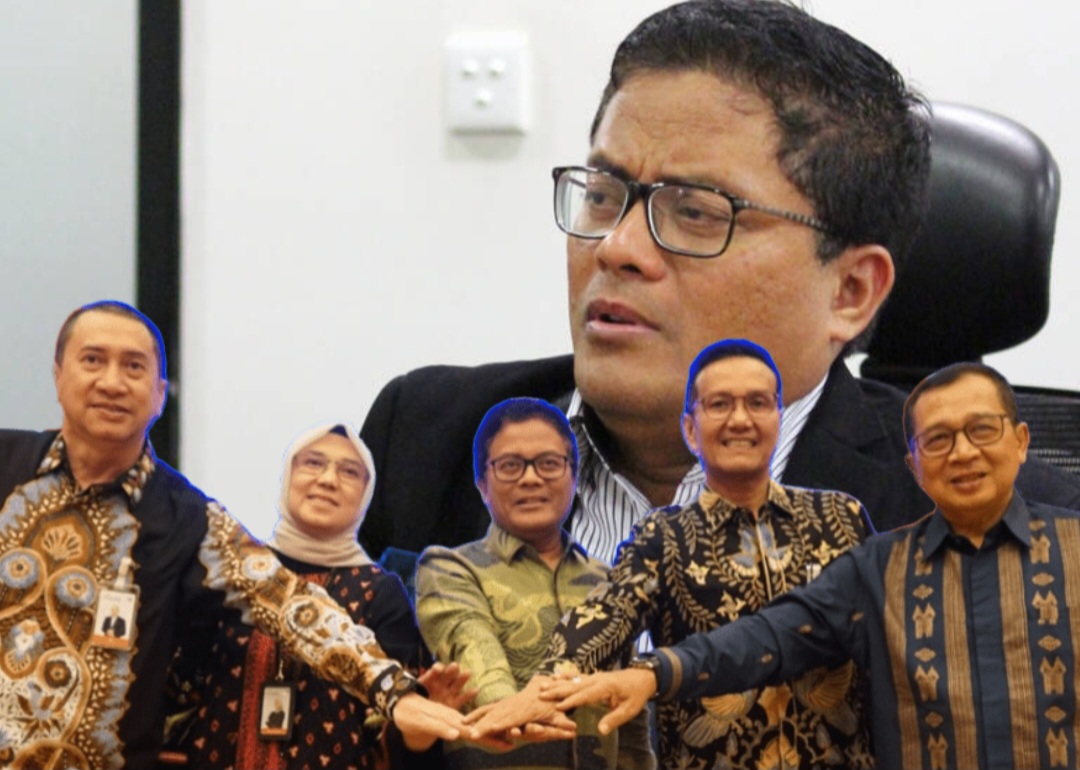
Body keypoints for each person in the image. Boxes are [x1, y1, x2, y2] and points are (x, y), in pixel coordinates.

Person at [357, 0, 1080, 575]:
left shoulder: (1018, 531)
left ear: (850, 291)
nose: (617, 247)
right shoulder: (424, 441)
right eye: (604, 194)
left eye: (698, 212)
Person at [0, 301, 473, 770]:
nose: (112, 382)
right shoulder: (7, 463)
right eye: (92, 360)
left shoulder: (191, 520)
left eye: (134, 366)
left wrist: (395, 692)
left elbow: (291, 603)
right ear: (58, 375)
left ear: (159, 394)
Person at [538, 362, 1080, 770]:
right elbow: (765, 636)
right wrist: (643, 674)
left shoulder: (840, 518)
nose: (962, 453)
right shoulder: (877, 567)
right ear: (914, 465)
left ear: (1021, 442)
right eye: (938, 440)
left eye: (982, 430)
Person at [469, 341, 874, 768]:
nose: (740, 420)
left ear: (779, 417)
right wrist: (547, 685)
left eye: (758, 403)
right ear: (690, 429)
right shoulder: (665, 537)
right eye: (719, 404)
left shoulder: (839, 517)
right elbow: (606, 614)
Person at [171, 421, 471, 770]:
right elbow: (178, 688)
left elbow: (401, 738)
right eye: (313, 463)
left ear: (366, 494)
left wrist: (419, 732)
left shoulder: (381, 592)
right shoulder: (234, 572)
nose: (328, 480)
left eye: (349, 472)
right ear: (288, 476)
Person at [414, 398, 654, 770]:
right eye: (510, 465)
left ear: (574, 478)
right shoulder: (450, 568)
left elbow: (627, 718)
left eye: (549, 463)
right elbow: (473, 649)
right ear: (482, 484)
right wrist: (515, 712)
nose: (530, 478)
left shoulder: (609, 581)